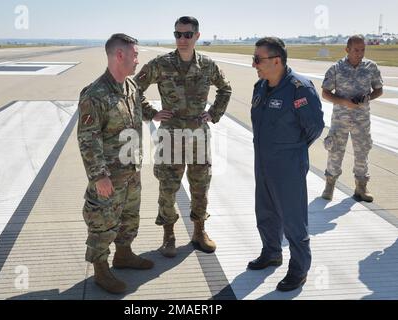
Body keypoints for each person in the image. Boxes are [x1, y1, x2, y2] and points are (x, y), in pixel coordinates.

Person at [134, 16, 232, 258]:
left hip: (199, 137)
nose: (182, 39)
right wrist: (151, 113)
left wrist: (213, 113)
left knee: (200, 187)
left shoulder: (208, 65)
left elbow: (225, 88)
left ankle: (199, 232)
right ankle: (168, 235)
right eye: (178, 34)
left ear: (197, 36)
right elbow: (133, 88)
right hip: (171, 136)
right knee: (168, 188)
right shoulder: (161, 64)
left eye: (187, 34)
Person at [77, 33, 158, 294]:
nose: (138, 59)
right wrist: (98, 175)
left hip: (131, 171)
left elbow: (139, 109)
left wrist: (157, 113)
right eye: (135, 54)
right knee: (102, 223)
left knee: (129, 217)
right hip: (109, 176)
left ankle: (124, 254)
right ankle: (101, 269)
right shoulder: (95, 94)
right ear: (119, 55)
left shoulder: (131, 87)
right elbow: (88, 139)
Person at [248, 37, 324, 291]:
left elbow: (314, 127)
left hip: (288, 163)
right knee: (266, 212)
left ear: (276, 60)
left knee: (293, 218)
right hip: (263, 161)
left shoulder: (299, 88)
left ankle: (299, 268)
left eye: (258, 59)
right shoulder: (260, 86)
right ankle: (271, 252)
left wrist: (293, 150)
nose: (254, 64)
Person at [321, 35, 383, 202]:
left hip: (362, 120)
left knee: (362, 152)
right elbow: (325, 92)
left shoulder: (371, 67)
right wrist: (344, 102)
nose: (360, 53)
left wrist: (367, 97)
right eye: (356, 50)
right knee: (335, 152)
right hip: (340, 119)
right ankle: (329, 185)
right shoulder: (336, 68)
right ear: (347, 49)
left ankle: (361, 188)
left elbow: (378, 89)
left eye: (363, 49)